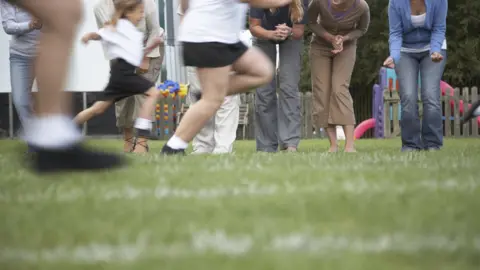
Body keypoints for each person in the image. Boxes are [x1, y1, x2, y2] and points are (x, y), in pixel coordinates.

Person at [160, 0, 292, 155]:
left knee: (262, 71)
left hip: (225, 37)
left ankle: (207, 94)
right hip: (208, 37)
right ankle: (173, 147)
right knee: (212, 101)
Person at [5, 0, 124, 173]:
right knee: (63, 10)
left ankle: (50, 139)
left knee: (65, 10)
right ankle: (50, 140)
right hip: (19, 53)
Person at [73, 0, 163, 155]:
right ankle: (142, 128)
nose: (142, 15)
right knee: (153, 93)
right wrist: (90, 36)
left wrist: (152, 46)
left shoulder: (133, 32)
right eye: (139, 12)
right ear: (128, 13)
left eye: (143, 12)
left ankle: (68, 128)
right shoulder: (119, 26)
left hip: (120, 76)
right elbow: (102, 34)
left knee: (98, 108)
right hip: (123, 74)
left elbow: (136, 52)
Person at [383, 0, 447, 151]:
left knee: (430, 95)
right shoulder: (395, 3)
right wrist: (394, 56)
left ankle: (432, 144)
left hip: (433, 48)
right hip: (405, 51)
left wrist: (435, 50)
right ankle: (411, 144)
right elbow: (395, 33)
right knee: (408, 96)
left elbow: (439, 28)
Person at [177, 4, 241, 154]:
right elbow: (184, 20)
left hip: (224, 47)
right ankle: (203, 146)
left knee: (227, 99)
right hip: (199, 49)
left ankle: (223, 148)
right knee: (202, 99)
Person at [307, 0, 370, 153]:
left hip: (347, 48)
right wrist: (329, 37)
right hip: (320, 47)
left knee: (339, 88)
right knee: (322, 92)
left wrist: (345, 38)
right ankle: (333, 145)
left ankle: (349, 145)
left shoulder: (361, 6)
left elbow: (362, 29)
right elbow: (310, 21)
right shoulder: (319, 2)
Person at [249, 0, 308, 153]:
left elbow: (299, 30)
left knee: (289, 87)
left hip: (291, 37)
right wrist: (271, 33)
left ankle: (290, 144)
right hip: (263, 36)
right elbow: (254, 27)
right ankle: (266, 146)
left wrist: (289, 31)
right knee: (264, 90)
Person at [1, 0, 41, 153]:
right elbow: (8, 27)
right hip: (20, 56)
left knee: (48, 100)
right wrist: (30, 25)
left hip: (46, 53)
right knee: (21, 100)